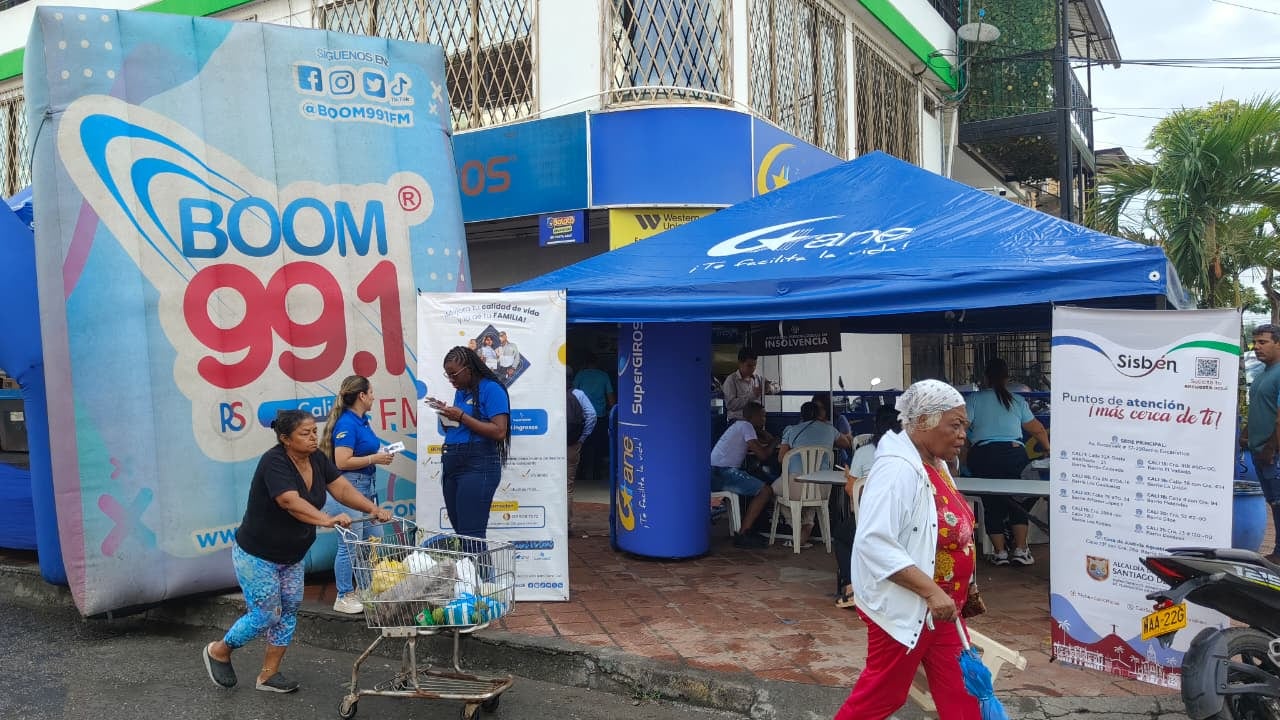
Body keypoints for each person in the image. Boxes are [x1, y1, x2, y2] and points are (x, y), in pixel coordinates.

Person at [201, 410, 391, 693]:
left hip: (292, 555)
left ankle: (268, 675)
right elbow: (289, 501)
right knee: (266, 615)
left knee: (289, 611)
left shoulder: (316, 458)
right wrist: (325, 518)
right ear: (285, 439)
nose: (313, 437)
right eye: (305, 433)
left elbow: (340, 488)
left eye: (314, 431)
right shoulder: (274, 462)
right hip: (258, 555)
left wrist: (372, 508)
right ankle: (219, 650)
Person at [833, 380, 979, 720]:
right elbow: (874, 541)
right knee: (881, 697)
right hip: (911, 608)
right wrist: (931, 592)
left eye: (964, 427)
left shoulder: (936, 464)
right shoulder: (897, 469)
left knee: (965, 694)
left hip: (941, 611)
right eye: (954, 425)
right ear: (924, 421)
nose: (962, 436)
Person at [964, 358, 1051, 566]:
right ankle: (1020, 550)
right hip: (1014, 456)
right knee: (1018, 502)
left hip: (983, 457)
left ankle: (1000, 553)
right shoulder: (1017, 400)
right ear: (1007, 378)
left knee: (992, 504)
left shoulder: (974, 399)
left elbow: (962, 427)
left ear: (985, 378)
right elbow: (1037, 429)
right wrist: (1048, 449)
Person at [320, 375, 394, 615]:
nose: (374, 396)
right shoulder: (346, 424)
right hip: (347, 489)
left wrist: (382, 453)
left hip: (367, 488)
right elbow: (342, 461)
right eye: (371, 392)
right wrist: (375, 458)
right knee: (349, 545)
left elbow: (365, 449)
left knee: (373, 539)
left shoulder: (363, 420)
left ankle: (365, 590)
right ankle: (343, 595)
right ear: (361, 396)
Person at [428, 346, 511, 539]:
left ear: (469, 368)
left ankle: (481, 570)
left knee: (472, 536)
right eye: (448, 375)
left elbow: (499, 431)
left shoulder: (491, 389)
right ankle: (473, 570)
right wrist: (446, 415)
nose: (451, 380)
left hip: (477, 465)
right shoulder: (461, 392)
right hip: (452, 463)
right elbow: (461, 428)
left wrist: (462, 416)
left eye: (454, 374)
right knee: (462, 534)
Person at [832, 406, 900, 608]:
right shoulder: (910, 453)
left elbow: (851, 489)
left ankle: (852, 587)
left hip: (869, 520)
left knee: (842, 537)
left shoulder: (864, 452)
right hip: (902, 519)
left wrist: (850, 477)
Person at [774, 401, 851, 548]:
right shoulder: (830, 429)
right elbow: (846, 444)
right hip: (822, 488)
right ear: (819, 414)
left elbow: (781, 458)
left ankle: (796, 526)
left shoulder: (791, 430)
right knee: (811, 496)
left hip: (795, 485)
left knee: (772, 491)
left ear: (802, 415)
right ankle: (807, 524)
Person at [710, 401, 777, 549]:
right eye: (762, 416)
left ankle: (746, 529)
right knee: (765, 491)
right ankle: (743, 534)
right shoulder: (746, 426)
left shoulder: (740, 426)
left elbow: (759, 442)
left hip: (715, 471)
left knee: (755, 481)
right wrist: (774, 442)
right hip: (722, 473)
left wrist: (764, 434)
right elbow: (763, 455)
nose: (764, 419)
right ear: (753, 416)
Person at [1245, 324, 1280, 561]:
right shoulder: (1262, 374)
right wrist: (1245, 434)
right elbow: (1259, 408)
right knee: (1274, 503)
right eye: (1255, 343)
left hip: (1273, 453)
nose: (1256, 347)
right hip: (1260, 452)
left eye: (1263, 342)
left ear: (1278, 343)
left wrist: (1270, 448)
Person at [573, 354, 615, 485]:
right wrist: (614, 412)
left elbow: (572, 392)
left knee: (582, 445)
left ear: (586, 363)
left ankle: (581, 474)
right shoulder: (603, 376)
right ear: (597, 363)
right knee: (598, 447)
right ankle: (597, 474)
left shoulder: (580, 374)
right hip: (599, 416)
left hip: (583, 417)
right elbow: (610, 397)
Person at [566, 379, 597, 532]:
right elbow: (592, 415)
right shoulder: (578, 394)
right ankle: (566, 525)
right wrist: (581, 439)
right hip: (571, 445)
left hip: (548, 445)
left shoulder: (548, 391)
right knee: (567, 486)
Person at [721, 348, 774, 422]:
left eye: (754, 365)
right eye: (749, 366)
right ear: (740, 363)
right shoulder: (731, 380)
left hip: (756, 422)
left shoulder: (758, 378)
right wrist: (752, 395)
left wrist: (769, 388)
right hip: (738, 422)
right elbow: (730, 405)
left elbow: (777, 386)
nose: (752, 369)